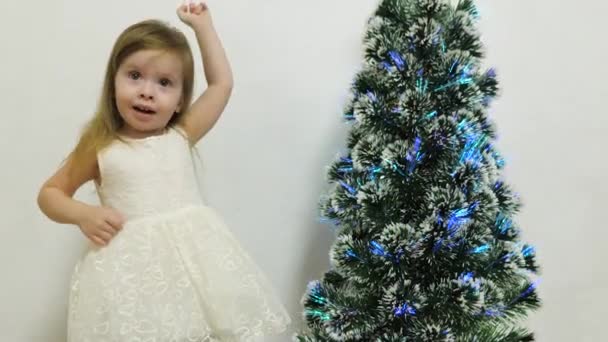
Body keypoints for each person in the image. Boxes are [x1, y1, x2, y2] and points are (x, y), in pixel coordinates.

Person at [37, 2, 291, 341]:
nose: (147, 91)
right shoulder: (101, 147)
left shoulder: (181, 134)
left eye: (165, 83)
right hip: (132, 276)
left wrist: (203, 28)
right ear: (113, 81)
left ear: (181, 99)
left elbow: (221, 85)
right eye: (135, 75)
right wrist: (83, 213)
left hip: (197, 265)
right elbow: (50, 193)